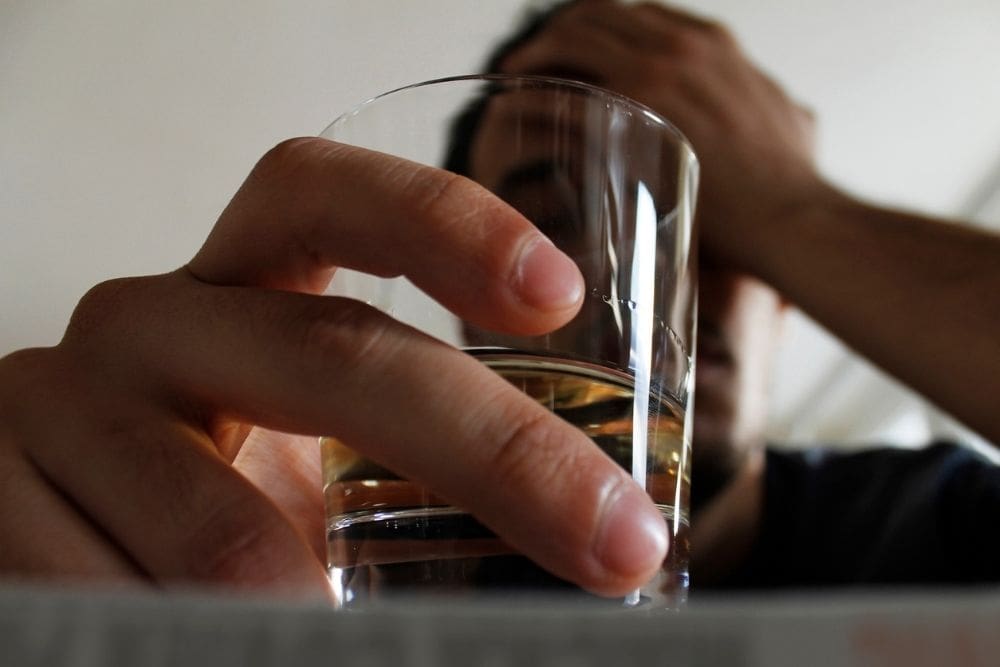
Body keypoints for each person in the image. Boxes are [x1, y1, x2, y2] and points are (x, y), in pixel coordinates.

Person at [0, 0, 998, 598]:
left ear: (787, 299)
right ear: (469, 294)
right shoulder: (386, 557)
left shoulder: (940, 518)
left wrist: (799, 206)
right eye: (547, 222)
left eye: (713, 224)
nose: (627, 282)